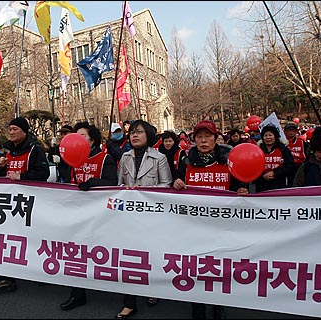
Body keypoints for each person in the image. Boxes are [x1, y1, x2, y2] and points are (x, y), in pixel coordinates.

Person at [172, 120, 247, 319]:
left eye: (208, 136)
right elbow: (177, 183)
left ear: (216, 138)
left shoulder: (228, 159)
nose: (204, 140)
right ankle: (198, 308)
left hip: (221, 225)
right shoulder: (186, 160)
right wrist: (176, 183)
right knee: (197, 267)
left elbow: (240, 183)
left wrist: (241, 189)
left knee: (217, 267)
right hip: (194, 226)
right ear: (194, 140)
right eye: (199, 137)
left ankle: (218, 306)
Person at [115, 119, 172, 319]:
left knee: (151, 257)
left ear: (148, 135)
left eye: (139, 132)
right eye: (131, 133)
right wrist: (127, 191)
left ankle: (153, 291)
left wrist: (145, 192)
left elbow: (167, 185)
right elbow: (118, 184)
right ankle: (129, 303)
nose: (134, 135)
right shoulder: (125, 157)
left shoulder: (160, 158)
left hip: (152, 216)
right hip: (129, 216)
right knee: (128, 258)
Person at [59, 121, 118, 311]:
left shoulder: (104, 158)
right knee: (75, 252)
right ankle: (77, 293)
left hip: (100, 214)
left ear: (92, 140)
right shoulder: (70, 158)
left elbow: (112, 182)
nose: (77, 138)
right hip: (75, 212)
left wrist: (92, 183)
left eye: (82, 135)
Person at [0, 117, 50, 294]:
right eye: (10, 129)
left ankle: (40, 272)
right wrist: (0, 166)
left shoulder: (35, 149)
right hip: (9, 202)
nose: (11, 132)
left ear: (24, 131)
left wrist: (22, 177)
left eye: (15, 128)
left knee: (33, 238)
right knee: (8, 239)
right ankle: (7, 278)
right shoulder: (6, 149)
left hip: (31, 202)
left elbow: (43, 173)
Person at [254, 125, 295, 192]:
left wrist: (275, 173)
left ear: (275, 136)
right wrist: (262, 176)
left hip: (279, 185)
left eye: (270, 135)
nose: (268, 137)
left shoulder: (283, 149)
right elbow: (253, 168)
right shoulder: (257, 150)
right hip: (262, 186)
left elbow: (290, 166)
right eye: (266, 135)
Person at [283, 122, 309, 187]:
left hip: (299, 167)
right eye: (289, 130)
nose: (291, 132)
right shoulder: (282, 143)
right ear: (285, 132)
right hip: (286, 168)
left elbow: (308, 154)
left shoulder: (301, 142)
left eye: (293, 130)